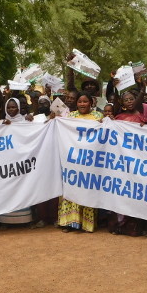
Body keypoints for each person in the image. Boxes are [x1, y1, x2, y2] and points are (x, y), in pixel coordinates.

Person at [55, 92, 102, 232]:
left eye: (85, 101)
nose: (82, 104)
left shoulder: (99, 117)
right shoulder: (70, 117)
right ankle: (69, 223)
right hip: (73, 161)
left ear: (91, 103)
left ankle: (86, 224)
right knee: (71, 189)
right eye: (80, 102)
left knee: (87, 190)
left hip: (90, 162)